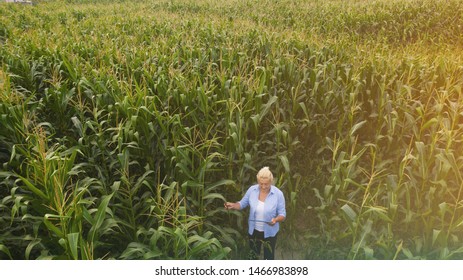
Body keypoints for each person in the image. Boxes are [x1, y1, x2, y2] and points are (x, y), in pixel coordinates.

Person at [224, 166, 286, 260]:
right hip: (254, 232)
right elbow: (242, 204)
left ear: (271, 181)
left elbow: (283, 214)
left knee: (268, 258)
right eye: (261, 184)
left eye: (266, 184)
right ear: (258, 181)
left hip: (270, 233)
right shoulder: (252, 190)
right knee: (253, 257)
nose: (264, 187)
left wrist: (276, 220)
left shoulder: (278, 194)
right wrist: (233, 205)